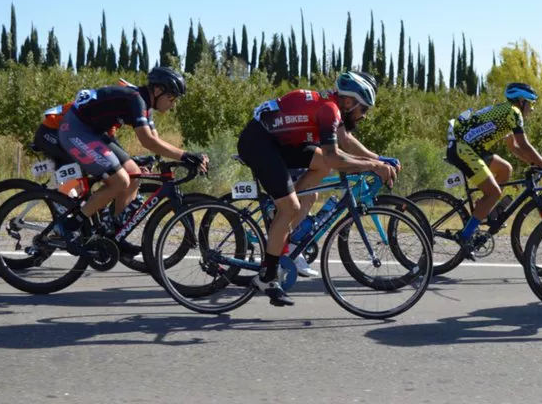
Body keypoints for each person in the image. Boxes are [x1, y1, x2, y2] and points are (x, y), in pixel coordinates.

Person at [237, 71, 398, 306]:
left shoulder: (332, 105)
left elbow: (345, 143)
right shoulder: (329, 110)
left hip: (278, 142)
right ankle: (267, 277)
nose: (364, 116)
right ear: (350, 101)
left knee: (322, 165)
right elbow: (336, 157)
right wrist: (374, 166)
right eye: (363, 109)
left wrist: (380, 160)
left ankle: (280, 214)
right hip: (259, 142)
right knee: (292, 206)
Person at [51, 67, 208, 253]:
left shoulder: (146, 105)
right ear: (158, 91)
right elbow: (147, 141)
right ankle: (69, 226)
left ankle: (113, 235)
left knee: (134, 174)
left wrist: (179, 158)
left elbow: (155, 140)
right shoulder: (136, 99)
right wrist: (185, 155)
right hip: (76, 130)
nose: (172, 105)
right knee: (120, 180)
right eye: (172, 98)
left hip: (95, 133)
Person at [446, 83, 542, 260]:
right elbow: (524, 145)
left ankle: (485, 209)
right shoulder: (514, 113)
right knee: (494, 192)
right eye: (530, 103)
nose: (532, 108)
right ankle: (465, 235)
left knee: (506, 169)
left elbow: (514, 147)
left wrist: (534, 165)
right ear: (521, 101)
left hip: (471, 148)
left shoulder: (506, 111)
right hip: (463, 148)